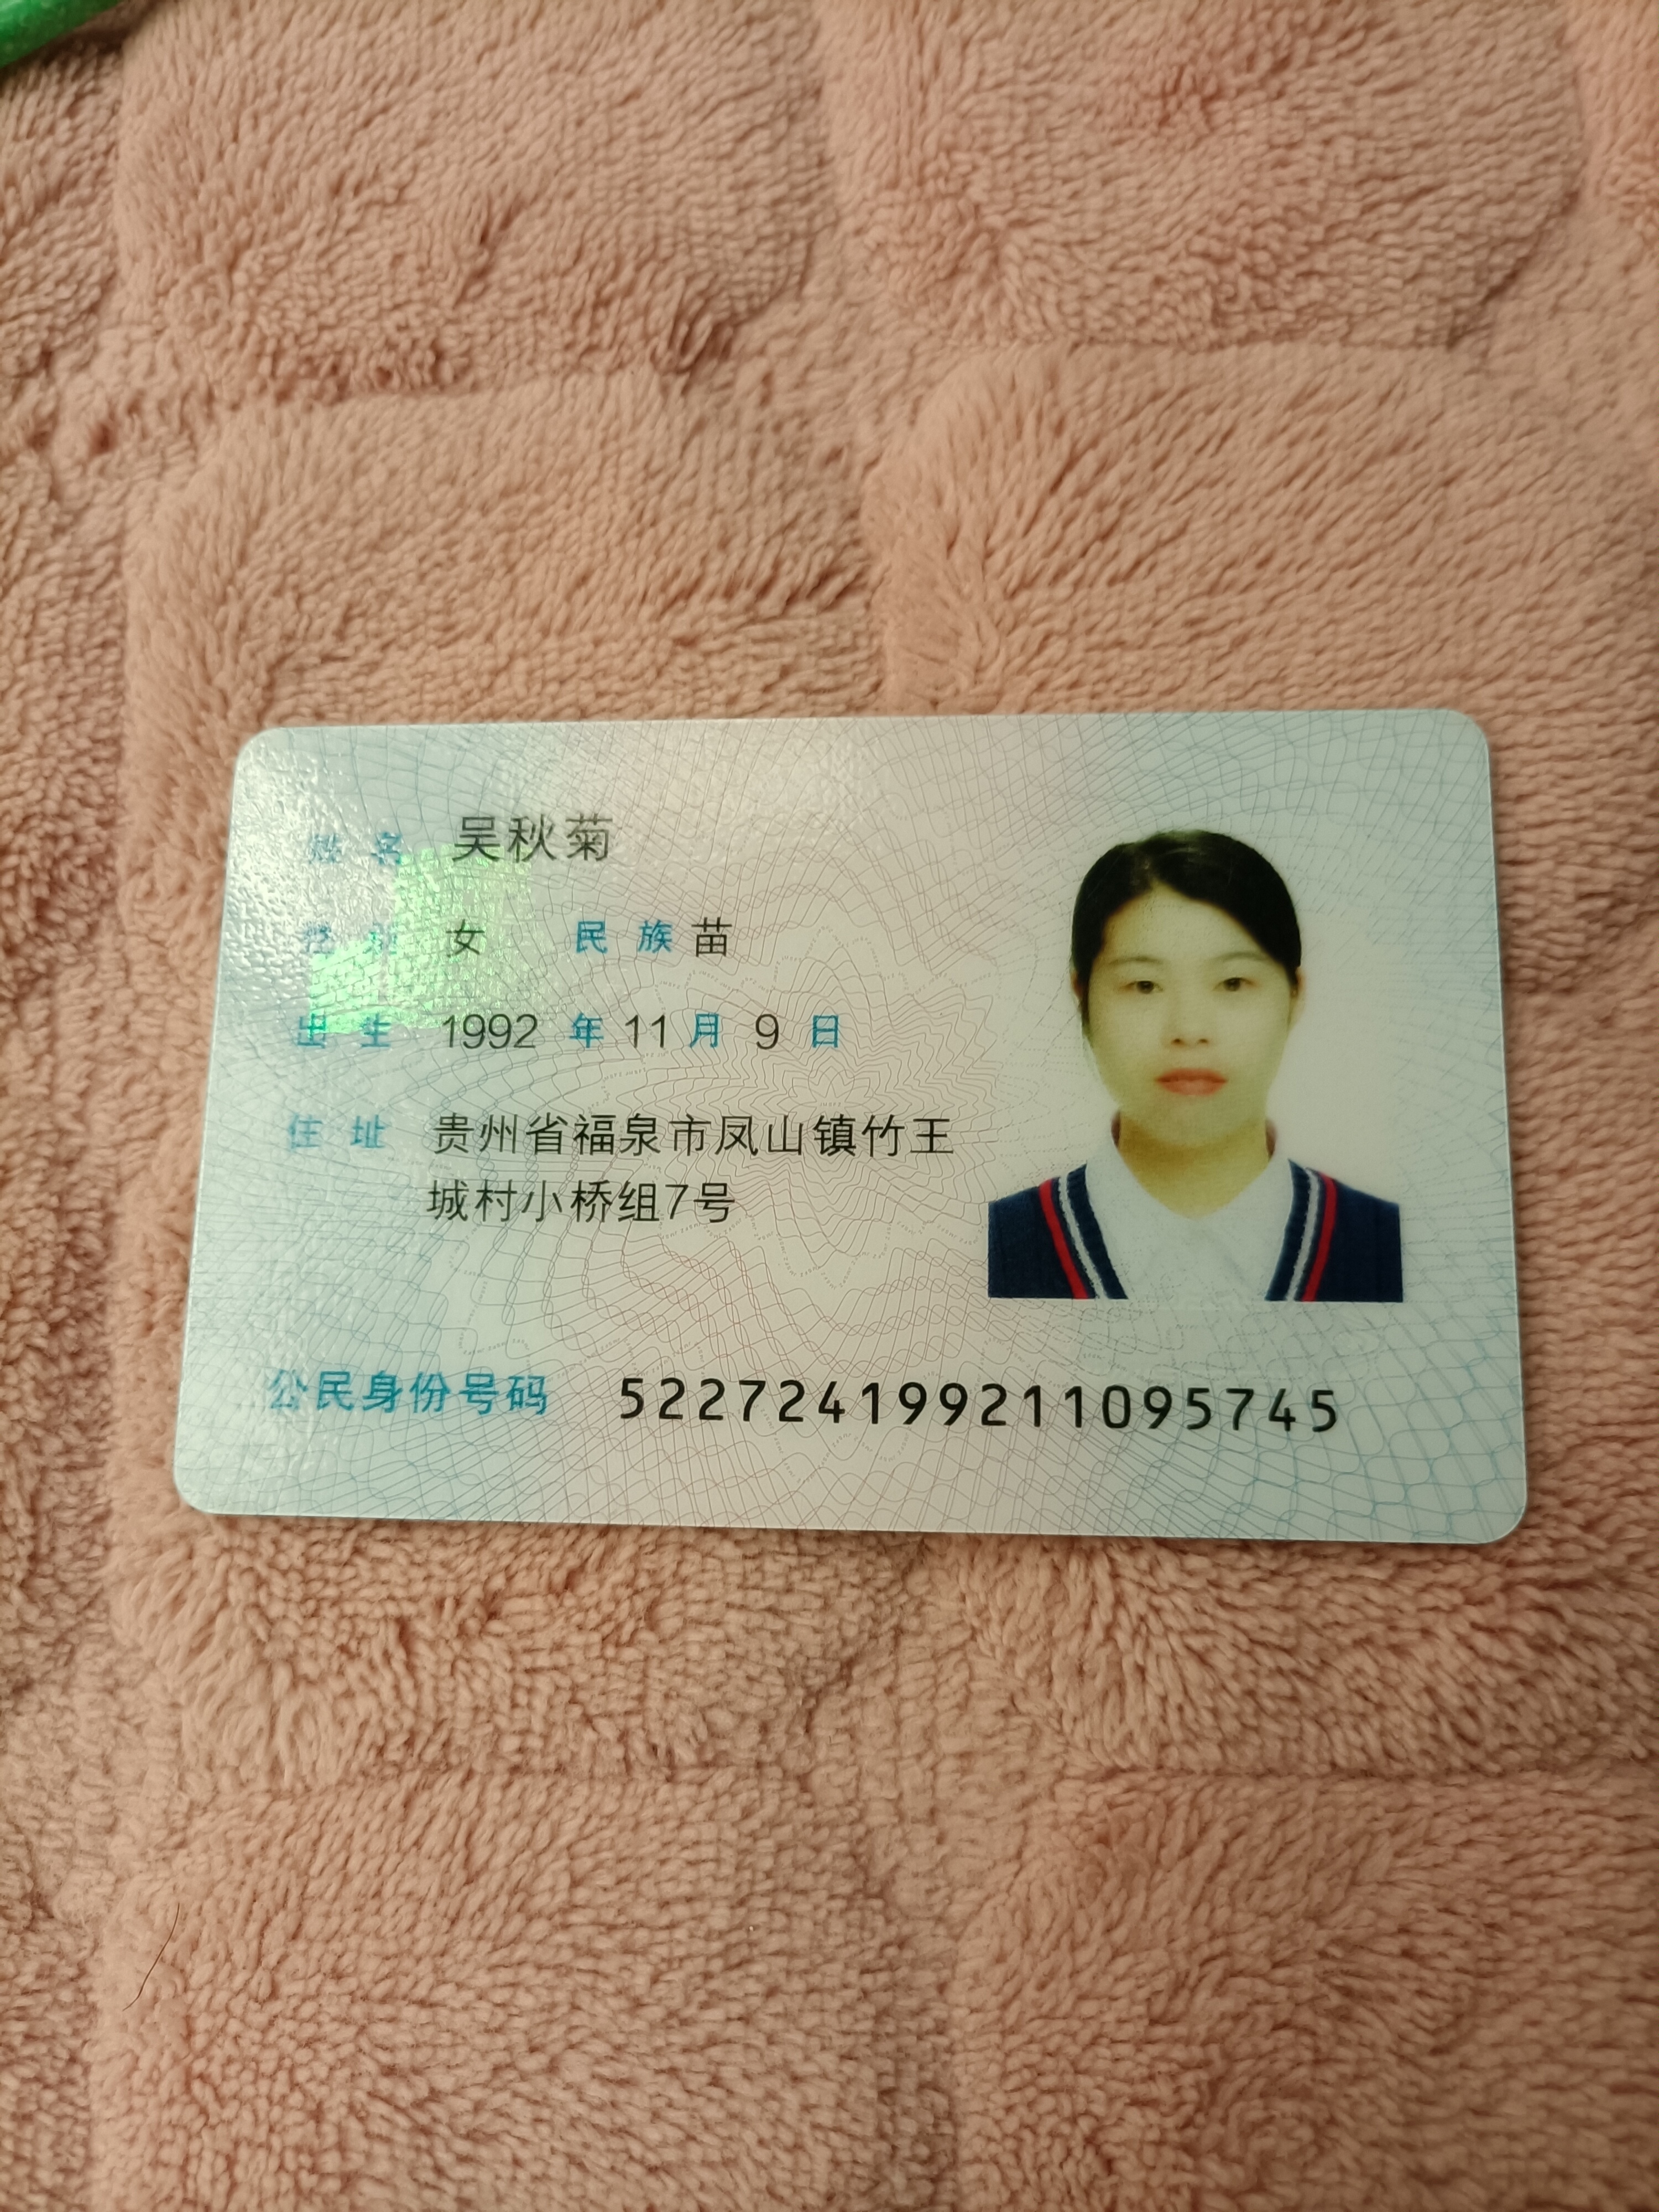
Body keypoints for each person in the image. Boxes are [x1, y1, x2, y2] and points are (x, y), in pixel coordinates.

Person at [988, 831, 1402, 1301]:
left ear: (1294, 996)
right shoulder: (999, 1246)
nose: (1189, 1029)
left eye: (1232, 983)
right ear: (1083, 996)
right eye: (1145, 985)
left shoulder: (1383, 1247)